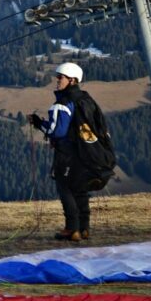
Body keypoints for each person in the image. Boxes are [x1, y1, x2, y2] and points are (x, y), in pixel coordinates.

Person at [29, 62, 110, 241]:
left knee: (65, 188)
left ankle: (72, 228)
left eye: (61, 77)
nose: (57, 80)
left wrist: (38, 123)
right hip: (87, 153)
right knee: (80, 189)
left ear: (72, 80)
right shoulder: (87, 100)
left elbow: (56, 131)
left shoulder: (63, 103)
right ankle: (84, 228)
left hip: (67, 154)